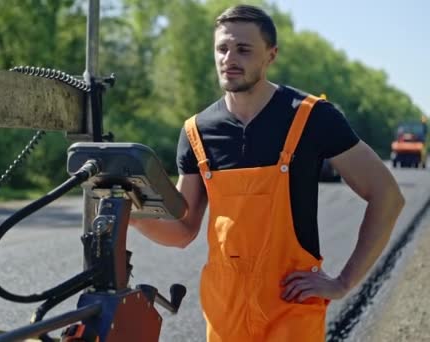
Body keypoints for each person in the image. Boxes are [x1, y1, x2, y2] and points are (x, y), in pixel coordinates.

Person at [129, 4, 405, 341]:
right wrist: (132, 215)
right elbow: (184, 229)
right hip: (225, 310)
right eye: (222, 48)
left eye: (243, 49)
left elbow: (387, 195)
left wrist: (344, 282)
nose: (230, 58)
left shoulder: (312, 117)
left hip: (291, 306)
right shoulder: (196, 133)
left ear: (270, 55)